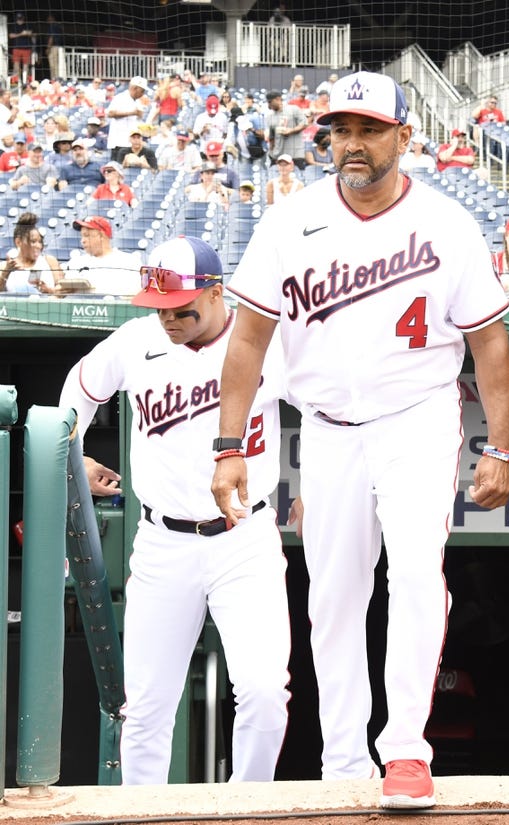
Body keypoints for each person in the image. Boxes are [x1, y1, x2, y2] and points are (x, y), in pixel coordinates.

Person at [210, 70, 509, 809]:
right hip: (328, 428)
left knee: (414, 574)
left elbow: (492, 348)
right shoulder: (292, 219)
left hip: (416, 418)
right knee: (333, 596)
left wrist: (500, 446)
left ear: (404, 138)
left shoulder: (446, 224)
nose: (352, 143)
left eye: (369, 129)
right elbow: (247, 340)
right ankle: (344, 758)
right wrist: (227, 445)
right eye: (341, 130)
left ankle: (406, 748)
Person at [58, 236, 290, 784]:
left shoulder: (266, 342)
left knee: (262, 692)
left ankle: (245, 813)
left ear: (216, 293)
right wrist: (77, 450)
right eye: (158, 308)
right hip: (163, 542)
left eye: (180, 308)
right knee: (144, 708)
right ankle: (143, 815)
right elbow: (80, 389)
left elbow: (331, 404)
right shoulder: (136, 340)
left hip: (244, 537)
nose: (168, 319)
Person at [65, 216, 142, 294]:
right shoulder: (76, 262)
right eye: (82, 236)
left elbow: (134, 295)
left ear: (102, 236)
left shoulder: (129, 261)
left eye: (87, 235)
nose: (82, 241)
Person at [0, 212, 63, 294]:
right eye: (33, 241)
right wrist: (5, 273)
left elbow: (63, 291)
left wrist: (48, 290)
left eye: (40, 242)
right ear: (18, 242)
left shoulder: (50, 261)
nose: (38, 246)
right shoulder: (5, 266)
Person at [106, 77, 151, 164]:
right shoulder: (120, 98)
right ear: (135, 88)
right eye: (142, 91)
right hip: (119, 143)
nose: (143, 93)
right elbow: (110, 113)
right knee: (118, 169)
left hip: (132, 144)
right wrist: (132, 113)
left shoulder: (137, 101)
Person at [265, 90, 309, 169]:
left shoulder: (293, 109)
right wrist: (271, 152)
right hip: (278, 155)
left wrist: (291, 130)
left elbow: (305, 123)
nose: (269, 105)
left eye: (270, 102)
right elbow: (272, 138)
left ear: (278, 99)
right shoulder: (269, 116)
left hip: (295, 154)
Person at [8, 12, 34, 86]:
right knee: (16, 66)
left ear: (23, 18)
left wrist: (27, 33)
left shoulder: (27, 25)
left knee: (26, 66)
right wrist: (21, 34)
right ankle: (16, 83)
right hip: (16, 48)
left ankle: (25, 83)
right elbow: (10, 35)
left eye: (21, 18)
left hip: (26, 48)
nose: (20, 20)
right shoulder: (13, 26)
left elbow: (31, 33)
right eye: (19, 18)